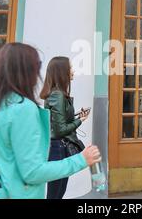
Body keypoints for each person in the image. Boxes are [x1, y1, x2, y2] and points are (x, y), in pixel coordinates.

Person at [0, 43, 101, 199]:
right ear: (27, 71)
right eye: (36, 66)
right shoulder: (23, 108)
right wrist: (81, 159)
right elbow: (32, 172)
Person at [39, 56, 91, 199]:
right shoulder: (58, 95)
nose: (73, 71)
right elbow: (60, 130)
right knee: (55, 194)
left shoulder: (57, 94)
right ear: (62, 72)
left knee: (57, 193)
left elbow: (59, 123)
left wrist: (77, 117)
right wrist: (79, 121)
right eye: (70, 68)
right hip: (58, 149)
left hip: (57, 148)